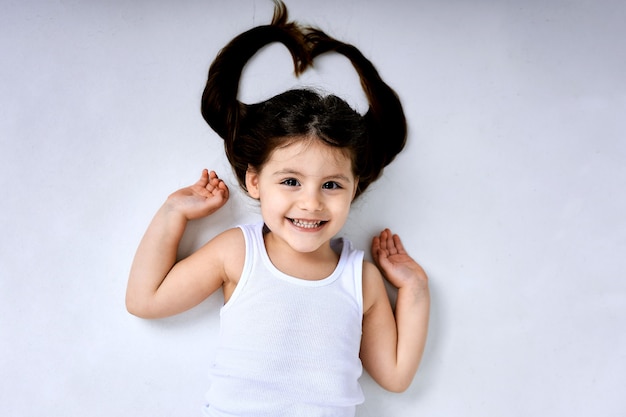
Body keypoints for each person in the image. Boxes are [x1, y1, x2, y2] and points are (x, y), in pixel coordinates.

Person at [126, 1, 430, 416]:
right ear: (255, 181)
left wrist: (414, 290)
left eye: (331, 185)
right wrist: (172, 215)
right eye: (290, 181)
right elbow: (146, 300)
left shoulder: (361, 279)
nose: (311, 202)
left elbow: (394, 377)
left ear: (354, 187)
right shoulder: (239, 252)